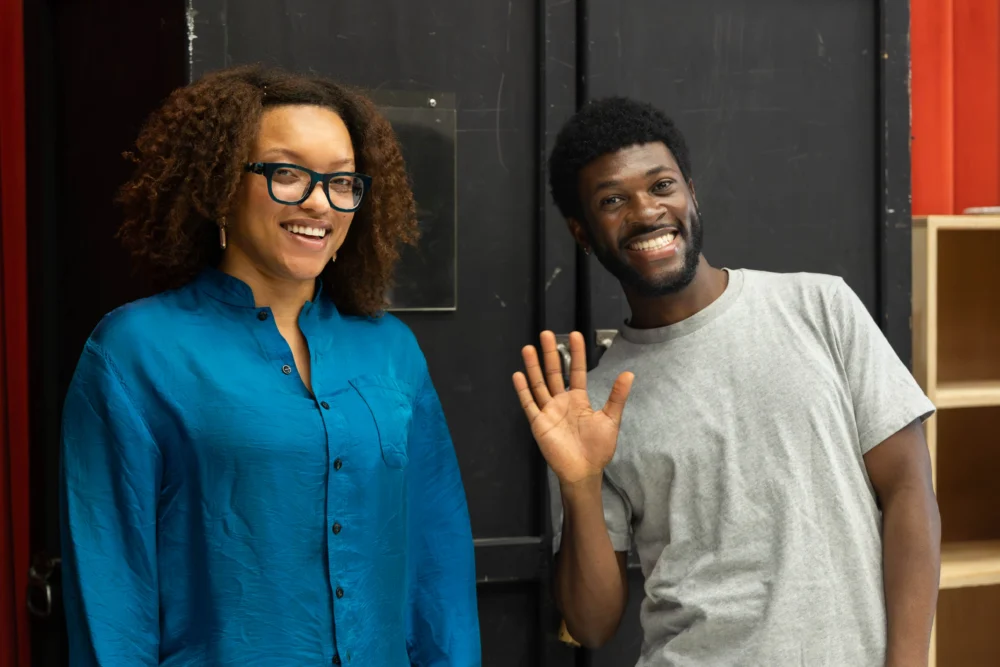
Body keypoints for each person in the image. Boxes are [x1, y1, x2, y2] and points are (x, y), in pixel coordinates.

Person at [60, 65, 481, 666]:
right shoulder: (136, 351)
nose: (319, 202)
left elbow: (438, 567)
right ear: (221, 185)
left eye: (342, 182)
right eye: (287, 173)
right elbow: (111, 593)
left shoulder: (392, 351)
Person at [513, 97, 939, 666]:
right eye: (612, 200)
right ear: (582, 231)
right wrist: (580, 485)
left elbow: (910, 491)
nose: (645, 212)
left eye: (661, 185)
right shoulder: (592, 406)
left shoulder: (820, 306)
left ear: (691, 192)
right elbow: (591, 626)